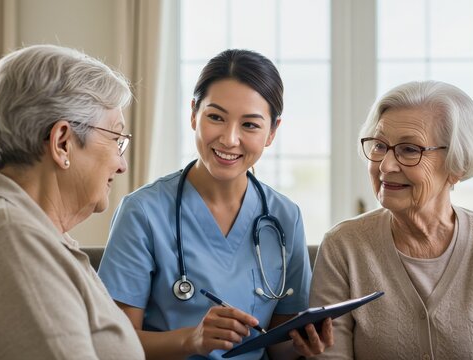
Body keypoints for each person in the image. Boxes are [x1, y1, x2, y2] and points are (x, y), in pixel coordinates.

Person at [97, 49, 333, 359]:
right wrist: (189, 340)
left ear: (272, 133)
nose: (229, 139)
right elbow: (114, 346)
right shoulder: (142, 212)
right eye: (216, 117)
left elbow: (279, 346)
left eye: (250, 125)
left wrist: (305, 347)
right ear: (194, 113)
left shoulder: (285, 217)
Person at [0, 44, 145, 359]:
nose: (121, 165)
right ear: (62, 142)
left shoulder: (29, 230)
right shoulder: (10, 240)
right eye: (115, 139)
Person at [309, 80, 473, 359]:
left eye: (410, 149)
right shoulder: (343, 247)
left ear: (457, 165)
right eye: (379, 145)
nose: (386, 166)